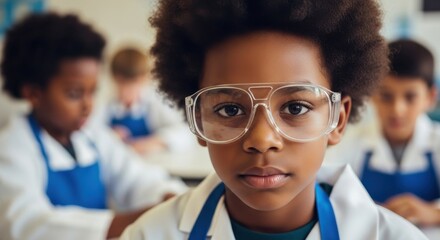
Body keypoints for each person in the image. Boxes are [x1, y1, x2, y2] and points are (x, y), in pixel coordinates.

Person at [121, 0, 428, 239]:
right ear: (199, 120)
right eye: (230, 109)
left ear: (339, 119)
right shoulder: (148, 234)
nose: (261, 139)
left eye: (295, 108)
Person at [0, 13, 187, 240]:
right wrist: (140, 220)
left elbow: (136, 178)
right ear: (33, 93)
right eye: (75, 93)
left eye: (93, 92)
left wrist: (172, 199)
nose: (88, 105)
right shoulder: (12, 146)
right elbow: (27, 224)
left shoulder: (92, 136)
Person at [327, 39, 440, 237]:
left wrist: (433, 213)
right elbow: (326, 195)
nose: (397, 110)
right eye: (386, 96)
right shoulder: (349, 141)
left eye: (410, 97)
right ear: (371, 94)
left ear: (430, 98)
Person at [106, 47, 192, 154]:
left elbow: (185, 133)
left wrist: (156, 142)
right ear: (114, 79)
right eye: (123, 83)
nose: (128, 89)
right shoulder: (106, 107)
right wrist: (108, 136)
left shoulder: (157, 102)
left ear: (144, 79)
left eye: (134, 83)